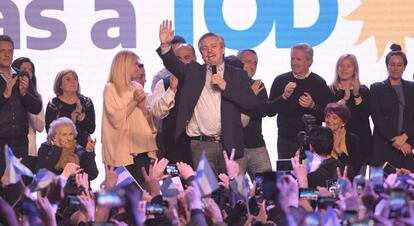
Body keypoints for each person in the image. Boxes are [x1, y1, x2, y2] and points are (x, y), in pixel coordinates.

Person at [157, 20, 260, 174]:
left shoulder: (238, 74)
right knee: (206, 192)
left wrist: (226, 86)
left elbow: (251, 103)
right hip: (201, 145)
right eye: (204, 48)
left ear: (223, 49)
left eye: (213, 46)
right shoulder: (193, 72)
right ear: (201, 54)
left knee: (230, 191)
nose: (209, 51)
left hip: (228, 143)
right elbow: (174, 65)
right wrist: (165, 46)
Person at [268, 43, 333, 159]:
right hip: (286, 141)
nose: (294, 63)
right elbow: (270, 111)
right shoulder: (280, 80)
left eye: (298, 59)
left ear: (309, 61)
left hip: (312, 143)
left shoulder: (319, 83)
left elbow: (327, 116)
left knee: (310, 176)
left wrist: (313, 105)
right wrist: (284, 97)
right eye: (292, 58)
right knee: (286, 176)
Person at [102, 50, 158, 185]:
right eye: (136, 64)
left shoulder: (137, 87)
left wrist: (144, 108)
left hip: (141, 148)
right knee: (124, 195)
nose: (139, 67)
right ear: (124, 66)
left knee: (143, 191)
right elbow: (115, 118)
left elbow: (148, 118)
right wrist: (133, 102)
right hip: (121, 152)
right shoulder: (110, 88)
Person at [0, 35, 42, 190]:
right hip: (0, 143)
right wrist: (5, 95)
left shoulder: (22, 76)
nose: (6, 54)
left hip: (19, 144)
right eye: (2, 51)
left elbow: (36, 107)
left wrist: (25, 94)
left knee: (17, 191)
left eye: (9, 51)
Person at [370, 44, 414, 171]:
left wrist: (405, 138)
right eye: (392, 64)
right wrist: (397, 141)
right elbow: (377, 119)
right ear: (387, 66)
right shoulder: (376, 88)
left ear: (404, 67)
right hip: (384, 148)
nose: (395, 68)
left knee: (406, 188)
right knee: (380, 188)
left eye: (399, 65)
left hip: (407, 148)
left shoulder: (412, 88)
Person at [151, 43, 196, 166]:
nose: (182, 62)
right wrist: (171, 90)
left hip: (200, 146)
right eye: (178, 59)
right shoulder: (163, 83)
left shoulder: (203, 82)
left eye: (187, 58)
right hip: (174, 148)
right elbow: (157, 112)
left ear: (195, 59)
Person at [236, 49, 272, 179]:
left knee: (269, 187)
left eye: (255, 63)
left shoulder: (259, 85)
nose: (252, 66)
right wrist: (251, 96)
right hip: (235, 149)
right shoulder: (227, 85)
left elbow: (262, 111)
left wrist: (244, 103)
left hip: (257, 145)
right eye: (247, 62)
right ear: (237, 63)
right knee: (235, 191)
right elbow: (232, 114)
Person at [330, 54, 372, 164]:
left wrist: (356, 94)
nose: (344, 69)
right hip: (337, 143)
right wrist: (346, 98)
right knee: (335, 179)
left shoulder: (363, 90)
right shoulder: (330, 90)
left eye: (349, 66)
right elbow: (329, 115)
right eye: (341, 65)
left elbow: (364, 116)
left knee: (358, 179)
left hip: (361, 143)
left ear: (355, 70)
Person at [45, 69, 95, 148]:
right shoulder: (53, 104)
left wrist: (81, 117)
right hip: (61, 149)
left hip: (85, 147)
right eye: (68, 79)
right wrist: (72, 121)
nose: (73, 81)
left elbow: (91, 129)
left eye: (75, 79)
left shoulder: (86, 102)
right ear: (60, 85)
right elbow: (50, 132)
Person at [11, 57, 45, 171]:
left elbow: (40, 127)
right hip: (9, 147)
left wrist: (27, 101)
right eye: (24, 69)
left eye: (31, 70)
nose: (28, 73)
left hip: (29, 150)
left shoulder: (36, 97)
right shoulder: (8, 93)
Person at [325, 102, 362, 177]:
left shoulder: (352, 139)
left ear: (343, 122)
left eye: (334, 117)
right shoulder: (321, 136)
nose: (329, 120)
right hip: (324, 177)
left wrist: (337, 149)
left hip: (345, 179)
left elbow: (355, 167)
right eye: (328, 116)